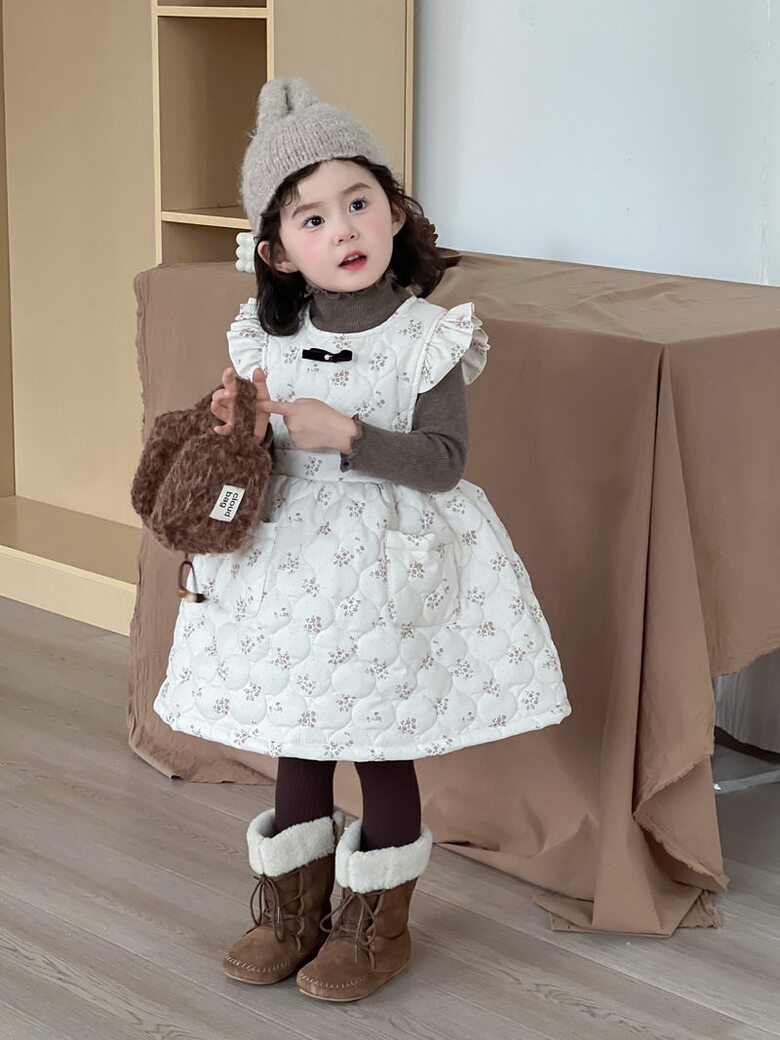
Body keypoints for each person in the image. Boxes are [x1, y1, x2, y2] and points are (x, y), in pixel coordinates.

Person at [153, 77, 571, 1003]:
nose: (342, 229)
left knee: (380, 738)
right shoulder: (265, 339)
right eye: (312, 218)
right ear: (276, 250)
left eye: (358, 202)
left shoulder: (427, 339)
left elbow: (443, 463)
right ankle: (292, 914)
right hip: (289, 573)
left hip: (388, 573)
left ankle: (376, 927)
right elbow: (252, 455)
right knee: (298, 736)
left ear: (394, 210)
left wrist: (346, 435)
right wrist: (238, 424)